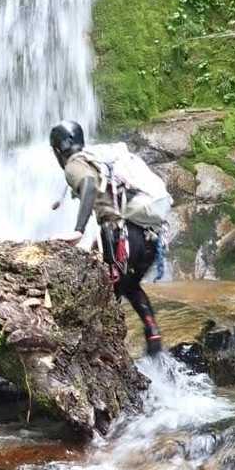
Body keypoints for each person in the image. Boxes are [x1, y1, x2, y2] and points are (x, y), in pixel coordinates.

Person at [49, 119, 164, 355]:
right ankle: (152, 332)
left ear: (58, 149)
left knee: (104, 299)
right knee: (130, 285)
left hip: (122, 239)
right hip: (150, 239)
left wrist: (79, 230)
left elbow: (89, 185)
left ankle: (96, 354)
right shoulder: (100, 160)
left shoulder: (75, 165)